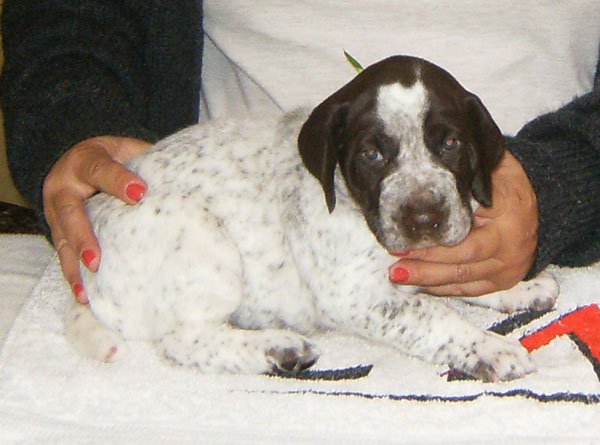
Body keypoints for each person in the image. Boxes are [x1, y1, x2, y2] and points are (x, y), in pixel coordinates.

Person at [2, 0, 600, 304]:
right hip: (219, 252)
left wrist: (566, 178)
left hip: (567, 263)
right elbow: (69, 21)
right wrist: (78, 120)